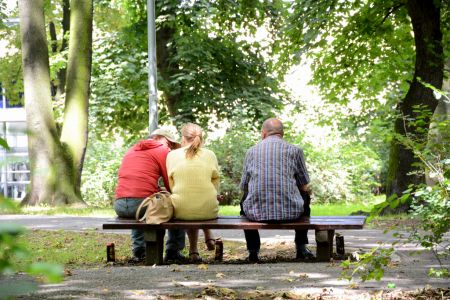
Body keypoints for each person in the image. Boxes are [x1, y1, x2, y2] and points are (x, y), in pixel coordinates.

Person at [240, 118, 314, 262]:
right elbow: (304, 184)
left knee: (244, 199)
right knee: (305, 195)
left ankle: (253, 252)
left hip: (255, 213)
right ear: (282, 133)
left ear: (263, 134)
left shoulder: (251, 152)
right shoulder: (295, 150)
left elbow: (244, 186)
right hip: (291, 213)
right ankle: (301, 248)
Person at [114, 128, 186, 262]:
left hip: (119, 205)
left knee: (143, 212)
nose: (170, 148)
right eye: (170, 144)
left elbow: (137, 181)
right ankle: (173, 251)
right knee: (176, 207)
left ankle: (139, 250)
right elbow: (169, 180)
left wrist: (157, 189)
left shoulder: (132, 150)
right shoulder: (162, 150)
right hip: (141, 204)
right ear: (162, 139)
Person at [166, 123, 220, 262]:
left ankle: (194, 250)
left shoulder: (172, 155)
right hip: (209, 209)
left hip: (181, 209)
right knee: (199, 201)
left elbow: (172, 185)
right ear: (201, 138)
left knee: (187, 203)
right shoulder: (210, 155)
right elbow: (215, 183)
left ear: (183, 138)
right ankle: (203, 239)